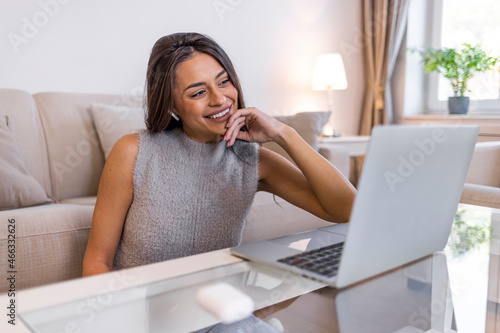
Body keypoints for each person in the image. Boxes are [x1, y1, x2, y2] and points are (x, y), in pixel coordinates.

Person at [82, 33, 355, 328]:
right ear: (172, 105)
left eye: (224, 81)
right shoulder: (134, 152)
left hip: (215, 315)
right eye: (198, 93)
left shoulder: (251, 160)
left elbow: (349, 211)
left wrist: (284, 134)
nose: (220, 99)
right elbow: (98, 261)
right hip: (144, 322)